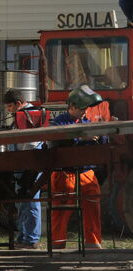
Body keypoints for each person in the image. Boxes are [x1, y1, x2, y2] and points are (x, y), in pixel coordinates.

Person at [50, 84, 104, 249]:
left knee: (93, 204)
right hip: (65, 173)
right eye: (82, 108)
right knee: (61, 209)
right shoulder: (57, 123)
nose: (85, 112)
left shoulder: (87, 122)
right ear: (71, 106)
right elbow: (58, 142)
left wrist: (102, 134)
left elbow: (100, 145)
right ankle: (57, 244)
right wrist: (82, 140)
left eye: (86, 108)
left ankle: (93, 242)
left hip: (87, 171)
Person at [3, 89, 42, 249]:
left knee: (30, 202)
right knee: (22, 203)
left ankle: (30, 239)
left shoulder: (30, 115)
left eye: (10, 106)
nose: (8, 110)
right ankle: (24, 236)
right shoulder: (22, 115)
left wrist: (25, 163)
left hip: (28, 164)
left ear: (19, 103)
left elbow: (32, 142)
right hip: (21, 163)